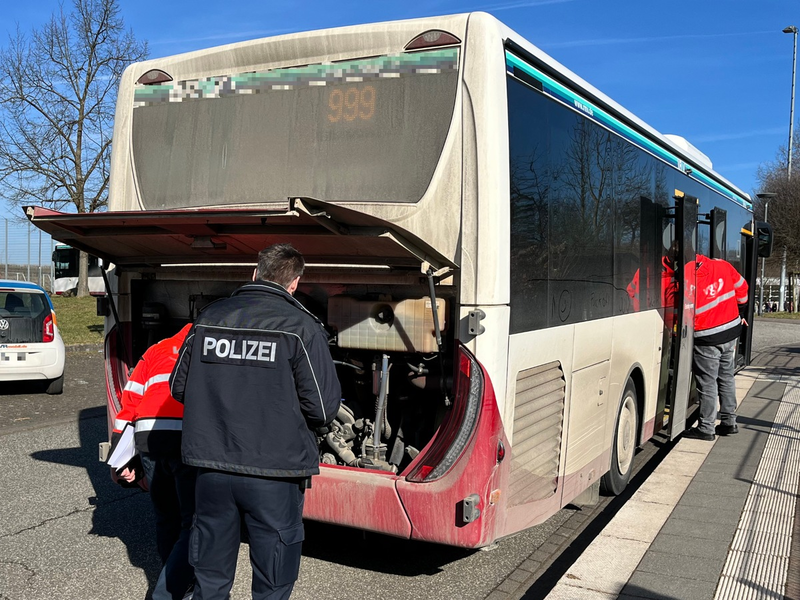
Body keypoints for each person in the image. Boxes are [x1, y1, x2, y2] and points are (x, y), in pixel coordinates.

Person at [169, 243, 341, 600]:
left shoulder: (209, 317)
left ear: (254, 272)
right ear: (294, 283)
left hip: (211, 468)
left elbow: (178, 387)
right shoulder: (301, 327)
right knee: (272, 580)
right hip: (274, 472)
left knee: (209, 578)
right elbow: (323, 409)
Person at [110, 323, 196, 600]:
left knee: (166, 517)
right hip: (187, 439)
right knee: (193, 521)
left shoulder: (156, 350)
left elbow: (129, 404)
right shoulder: (207, 347)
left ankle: (169, 580)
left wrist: (118, 459)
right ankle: (177, 587)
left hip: (149, 439)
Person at [684, 254, 748, 441]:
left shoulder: (686, 276)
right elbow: (742, 288)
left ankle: (706, 428)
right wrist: (740, 312)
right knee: (726, 377)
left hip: (707, 337)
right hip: (730, 331)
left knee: (707, 383)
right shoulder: (722, 265)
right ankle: (729, 422)